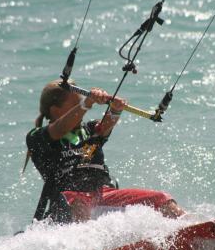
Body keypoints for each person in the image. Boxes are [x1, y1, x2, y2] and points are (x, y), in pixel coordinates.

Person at [25, 79, 185, 223]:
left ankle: (195, 231)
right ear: (55, 110)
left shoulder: (89, 129)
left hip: (102, 194)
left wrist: (115, 109)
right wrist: (87, 103)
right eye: (76, 105)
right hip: (66, 202)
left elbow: (105, 128)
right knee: (78, 204)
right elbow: (60, 128)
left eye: (80, 104)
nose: (82, 110)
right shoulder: (37, 137)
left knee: (163, 199)